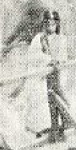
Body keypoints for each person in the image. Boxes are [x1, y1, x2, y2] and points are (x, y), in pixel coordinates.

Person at [26, 11, 65, 139]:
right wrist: (47, 60)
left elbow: (63, 56)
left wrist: (58, 61)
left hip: (55, 74)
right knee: (41, 100)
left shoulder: (61, 38)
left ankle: (59, 127)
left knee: (58, 98)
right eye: (48, 23)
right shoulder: (39, 38)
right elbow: (32, 56)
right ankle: (42, 130)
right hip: (41, 75)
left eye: (53, 23)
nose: (50, 26)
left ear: (57, 24)